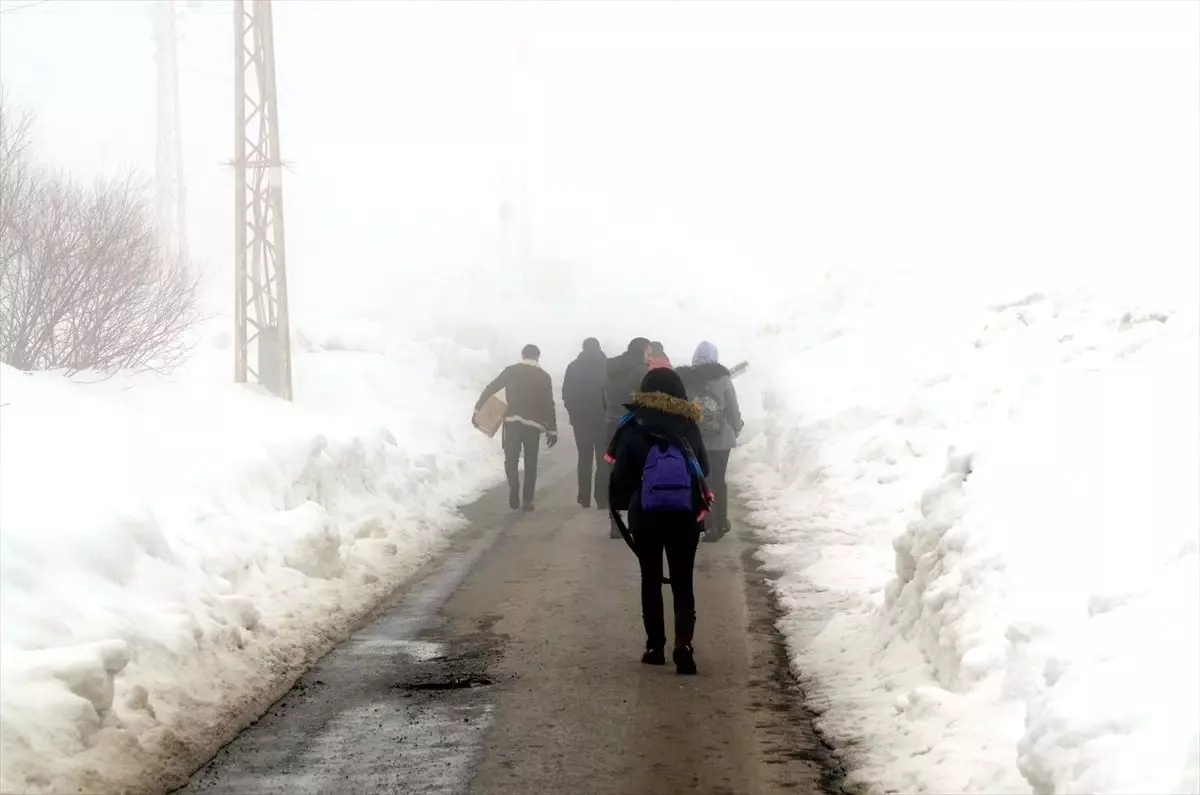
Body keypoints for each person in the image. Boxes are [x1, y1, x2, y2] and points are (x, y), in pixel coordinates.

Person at [606, 367, 711, 675]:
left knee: (650, 577)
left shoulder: (633, 422)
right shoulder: (688, 421)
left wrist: (619, 504)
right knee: (683, 579)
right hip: (685, 513)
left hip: (646, 512)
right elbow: (703, 465)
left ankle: (655, 646)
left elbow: (621, 473)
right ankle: (684, 644)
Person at [475, 344, 558, 511]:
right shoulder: (544, 377)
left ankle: (514, 485)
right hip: (533, 425)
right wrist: (552, 430)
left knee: (511, 459)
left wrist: (478, 409)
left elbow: (491, 387)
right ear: (538, 357)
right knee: (531, 462)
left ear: (522, 355)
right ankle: (527, 500)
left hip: (512, 422)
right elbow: (549, 404)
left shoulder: (511, 371)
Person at [677, 340, 743, 541]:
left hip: (694, 440)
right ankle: (720, 522)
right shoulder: (723, 378)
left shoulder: (685, 378)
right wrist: (737, 427)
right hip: (721, 440)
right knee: (718, 480)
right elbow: (732, 408)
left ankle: (702, 523)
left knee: (699, 481)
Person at [601, 337, 651, 536]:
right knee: (638, 472)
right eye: (648, 352)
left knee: (615, 471)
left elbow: (602, 395)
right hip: (634, 425)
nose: (649, 357)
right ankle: (635, 519)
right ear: (641, 351)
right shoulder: (641, 371)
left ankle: (615, 522)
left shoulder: (610, 367)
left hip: (612, 422)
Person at [562, 337, 608, 508]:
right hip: (602, 419)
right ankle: (602, 498)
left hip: (581, 420)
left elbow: (566, 393)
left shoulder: (573, 367)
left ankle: (584, 497)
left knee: (584, 457)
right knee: (603, 459)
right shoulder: (607, 366)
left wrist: (572, 412)